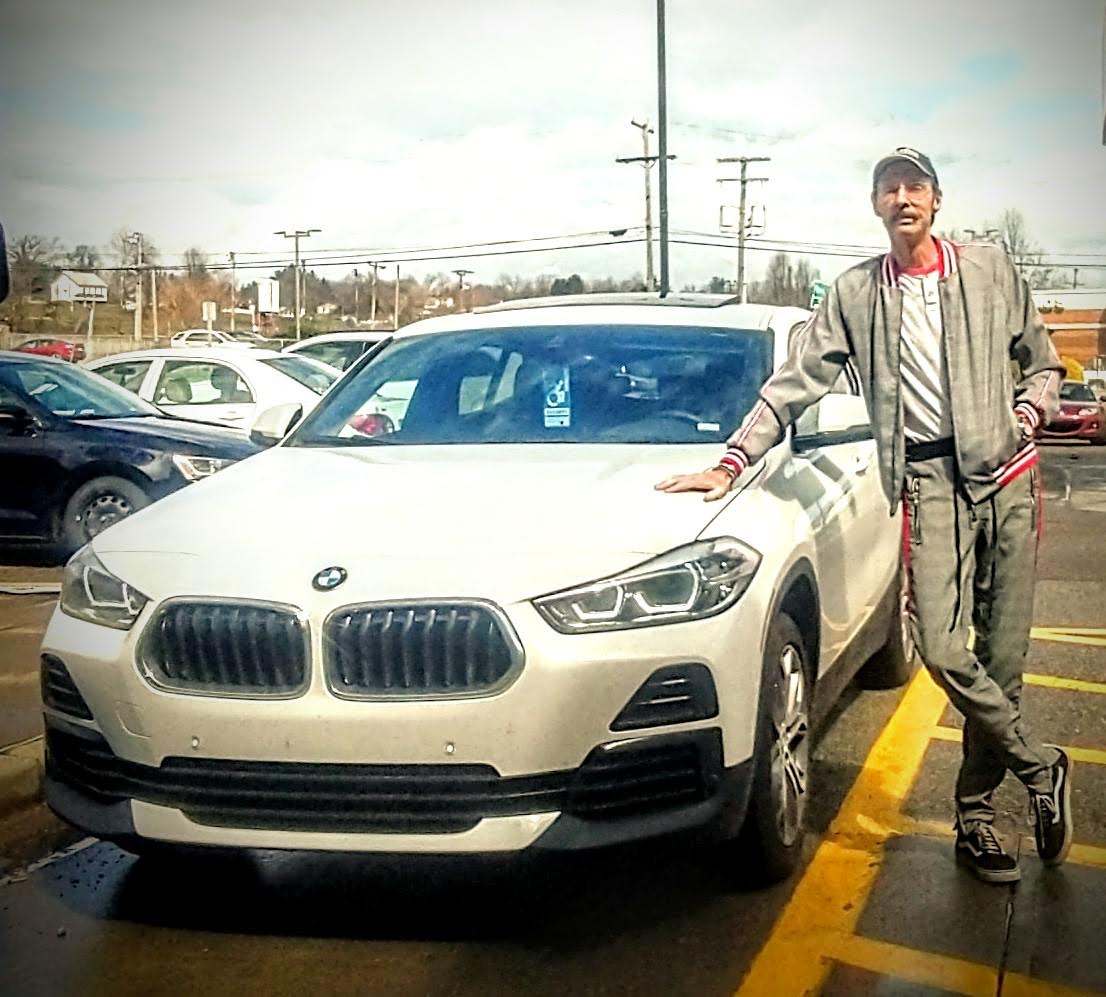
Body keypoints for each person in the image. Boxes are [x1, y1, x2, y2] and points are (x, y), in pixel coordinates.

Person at [655, 147, 1073, 884]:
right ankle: (1042, 767)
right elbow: (796, 382)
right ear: (877, 206)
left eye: (915, 187)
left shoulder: (988, 270)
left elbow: (1043, 363)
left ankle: (976, 818)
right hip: (928, 480)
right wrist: (731, 460)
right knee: (942, 649)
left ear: (936, 201)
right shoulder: (855, 294)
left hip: (1007, 479)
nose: (903, 198)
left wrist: (1025, 416)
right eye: (889, 189)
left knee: (1002, 663)